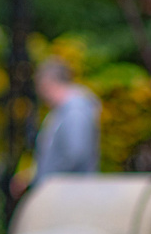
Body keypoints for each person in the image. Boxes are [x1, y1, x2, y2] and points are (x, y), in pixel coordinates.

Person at [11, 57, 101, 197]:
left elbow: (75, 153)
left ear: (47, 84)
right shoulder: (62, 111)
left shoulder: (75, 111)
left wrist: (49, 179)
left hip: (69, 197)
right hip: (63, 194)